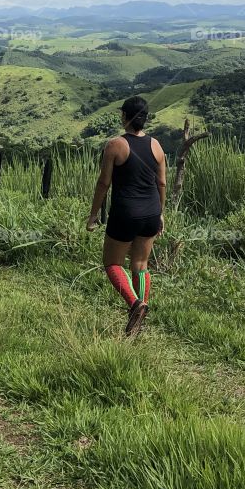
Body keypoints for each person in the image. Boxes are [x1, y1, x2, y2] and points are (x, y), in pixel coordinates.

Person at [86, 95, 166, 338]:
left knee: (112, 263)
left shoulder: (116, 145)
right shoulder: (157, 146)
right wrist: (160, 214)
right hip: (152, 211)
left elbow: (103, 183)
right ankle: (139, 315)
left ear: (124, 117)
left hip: (126, 213)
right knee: (140, 265)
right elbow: (161, 182)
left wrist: (93, 216)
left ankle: (135, 305)